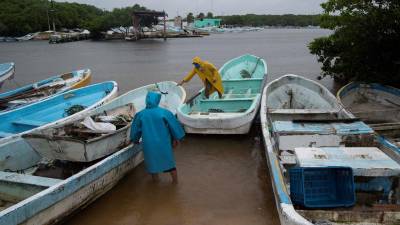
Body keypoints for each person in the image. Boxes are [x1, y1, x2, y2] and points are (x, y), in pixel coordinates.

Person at [130, 91, 185, 183]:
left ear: (146, 100)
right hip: (163, 143)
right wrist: (177, 138)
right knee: (170, 164)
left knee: (152, 165)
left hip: (148, 144)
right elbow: (174, 126)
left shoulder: (140, 114)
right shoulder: (165, 113)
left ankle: (156, 182)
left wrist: (135, 139)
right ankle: (175, 183)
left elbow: (135, 130)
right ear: (157, 100)